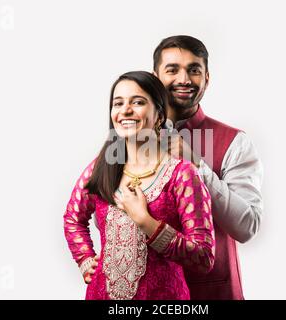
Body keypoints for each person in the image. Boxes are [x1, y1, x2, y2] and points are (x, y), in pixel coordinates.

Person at [63, 71, 215, 300]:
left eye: (138, 102)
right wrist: (85, 259)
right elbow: (73, 217)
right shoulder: (102, 167)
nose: (125, 110)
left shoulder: (181, 175)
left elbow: (204, 257)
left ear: (160, 115)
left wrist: (147, 222)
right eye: (118, 103)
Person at [153, 35, 264, 300]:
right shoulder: (129, 139)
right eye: (172, 69)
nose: (184, 79)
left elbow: (247, 226)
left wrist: (196, 164)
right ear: (155, 77)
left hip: (211, 292)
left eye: (194, 70)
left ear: (207, 78)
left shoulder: (235, 142)